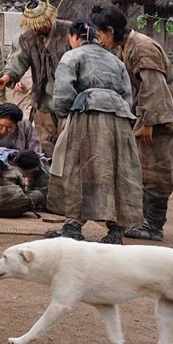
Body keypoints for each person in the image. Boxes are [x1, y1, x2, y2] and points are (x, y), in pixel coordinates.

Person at [91, 5, 173, 242]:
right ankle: (142, 220)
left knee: (155, 169)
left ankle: (153, 226)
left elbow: (153, 86)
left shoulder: (142, 47)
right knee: (142, 166)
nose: (99, 40)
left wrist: (148, 122)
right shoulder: (125, 47)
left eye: (100, 35)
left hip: (162, 113)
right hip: (150, 112)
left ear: (110, 30)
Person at [45, 19, 144, 244]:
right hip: (119, 118)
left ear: (75, 37)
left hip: (87, 114)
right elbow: (128, 96)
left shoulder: (73, 56)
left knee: (79, 168)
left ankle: (73, 226)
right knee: (116, 170)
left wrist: (64, 113)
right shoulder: (114, 59)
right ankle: (115, 230)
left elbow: (62, 92)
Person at [0, 0, 73, 156]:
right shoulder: (28, 38)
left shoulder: (68, 31)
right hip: (43, 102)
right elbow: (17, 62)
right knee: (46, 145)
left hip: (69, 102)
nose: (35, 30)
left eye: (39, 26)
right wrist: (5, 79)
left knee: (69, 146)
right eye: (32, 27)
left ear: (48, 19)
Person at [0, 148, 48, 218]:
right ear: (13, 160)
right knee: (38, 194)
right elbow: (23, 190)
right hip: (15, 210)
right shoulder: (16, 171)